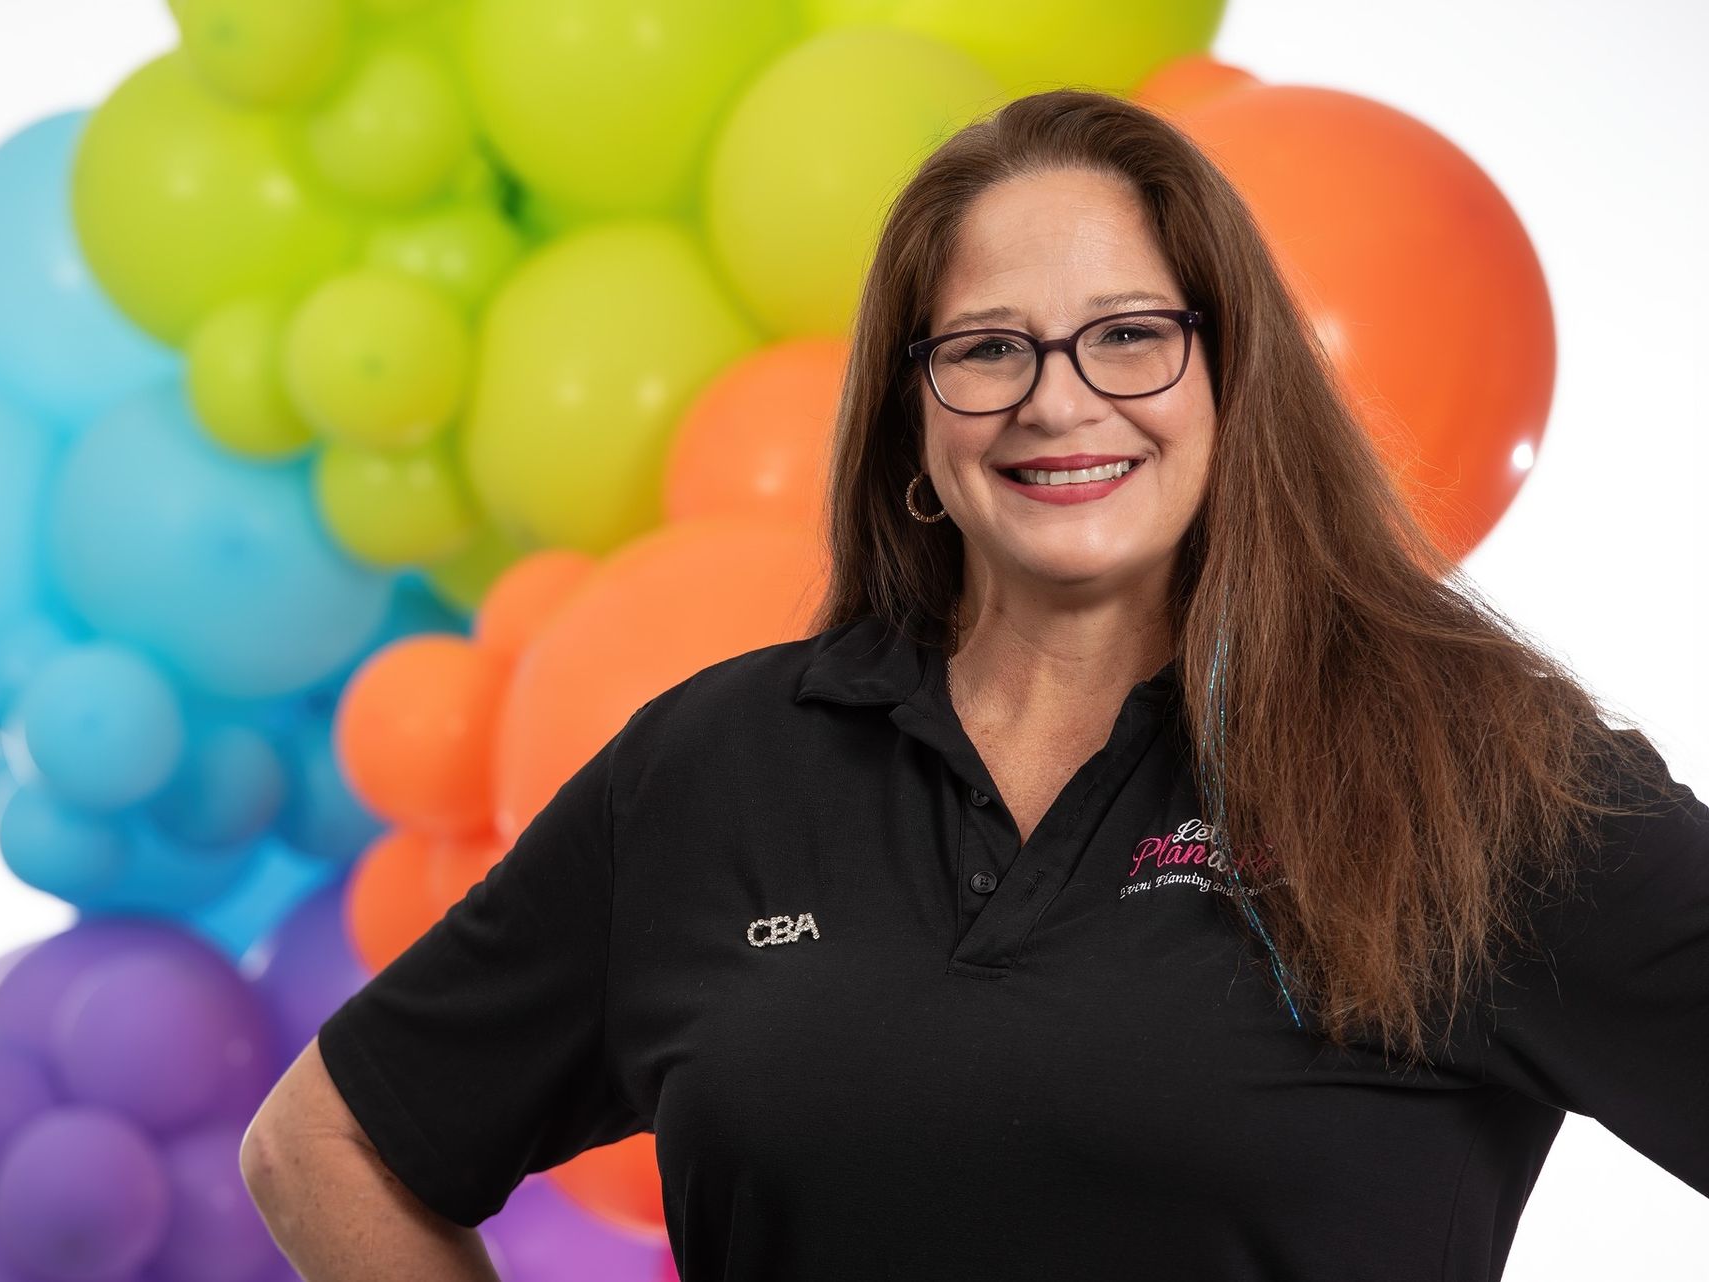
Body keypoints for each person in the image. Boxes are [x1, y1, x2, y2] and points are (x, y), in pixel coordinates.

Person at [239, 87, 1709, 1280]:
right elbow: (329, 1144)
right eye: (988, 348)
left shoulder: (1470, 767)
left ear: (1231, 375)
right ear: (913, 416)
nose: (1059, 398)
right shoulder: (716, 769)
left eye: (1131, 334)